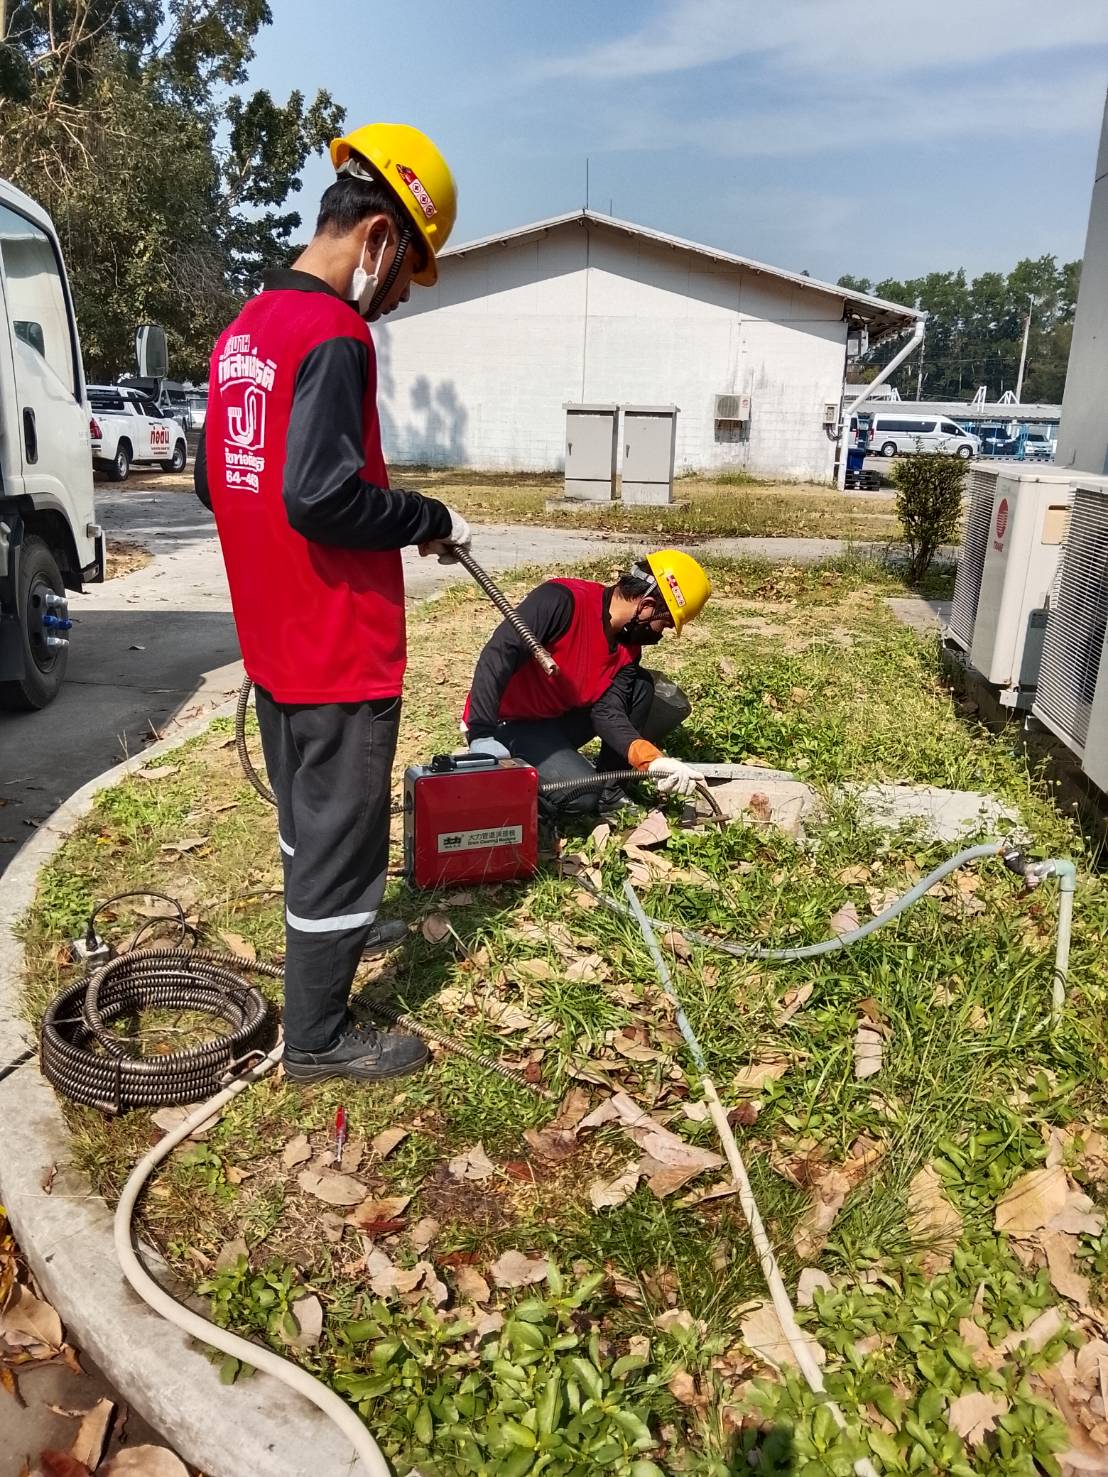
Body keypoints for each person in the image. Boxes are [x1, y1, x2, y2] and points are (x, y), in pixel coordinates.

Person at [199, 123, 470, 1084]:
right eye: (402, 281)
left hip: (276, 645)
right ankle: (317, 1039)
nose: (392, 304)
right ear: (381, 241)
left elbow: (218, 482)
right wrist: (424, 510)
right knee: (346, 846)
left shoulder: (245, 331)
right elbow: (318, 495)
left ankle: (313, 958)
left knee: (309, 830)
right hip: (338, 649)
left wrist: (379, 520)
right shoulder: (335, 334)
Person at [463, 551, 711, 815]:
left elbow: (608, 713)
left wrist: (653, 761)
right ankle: (526, 792)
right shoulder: (562, 601)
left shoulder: (628, 650)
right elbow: (499, 654)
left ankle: (609, 790)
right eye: (666, 623)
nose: (661, 633)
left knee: (640, 687)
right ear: (647, 604)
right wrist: (481, 733)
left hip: (553, 720)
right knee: (580, 797)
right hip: (508, 726)